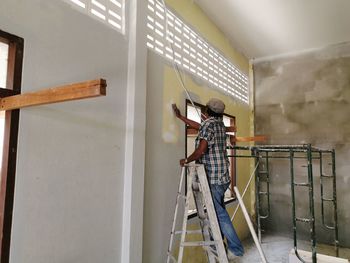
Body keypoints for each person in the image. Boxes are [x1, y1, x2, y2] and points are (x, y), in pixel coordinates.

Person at [173, 99, 244, 261]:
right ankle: (222, 247)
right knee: (218, 213)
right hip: (223, 177)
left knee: (219, 214)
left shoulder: (208, 125)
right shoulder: (218, 124)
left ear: (206, 110)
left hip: (212, 178)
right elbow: (200, 127)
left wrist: (187, 160)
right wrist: (181, 117)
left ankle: (236, 248)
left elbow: (201, 150)